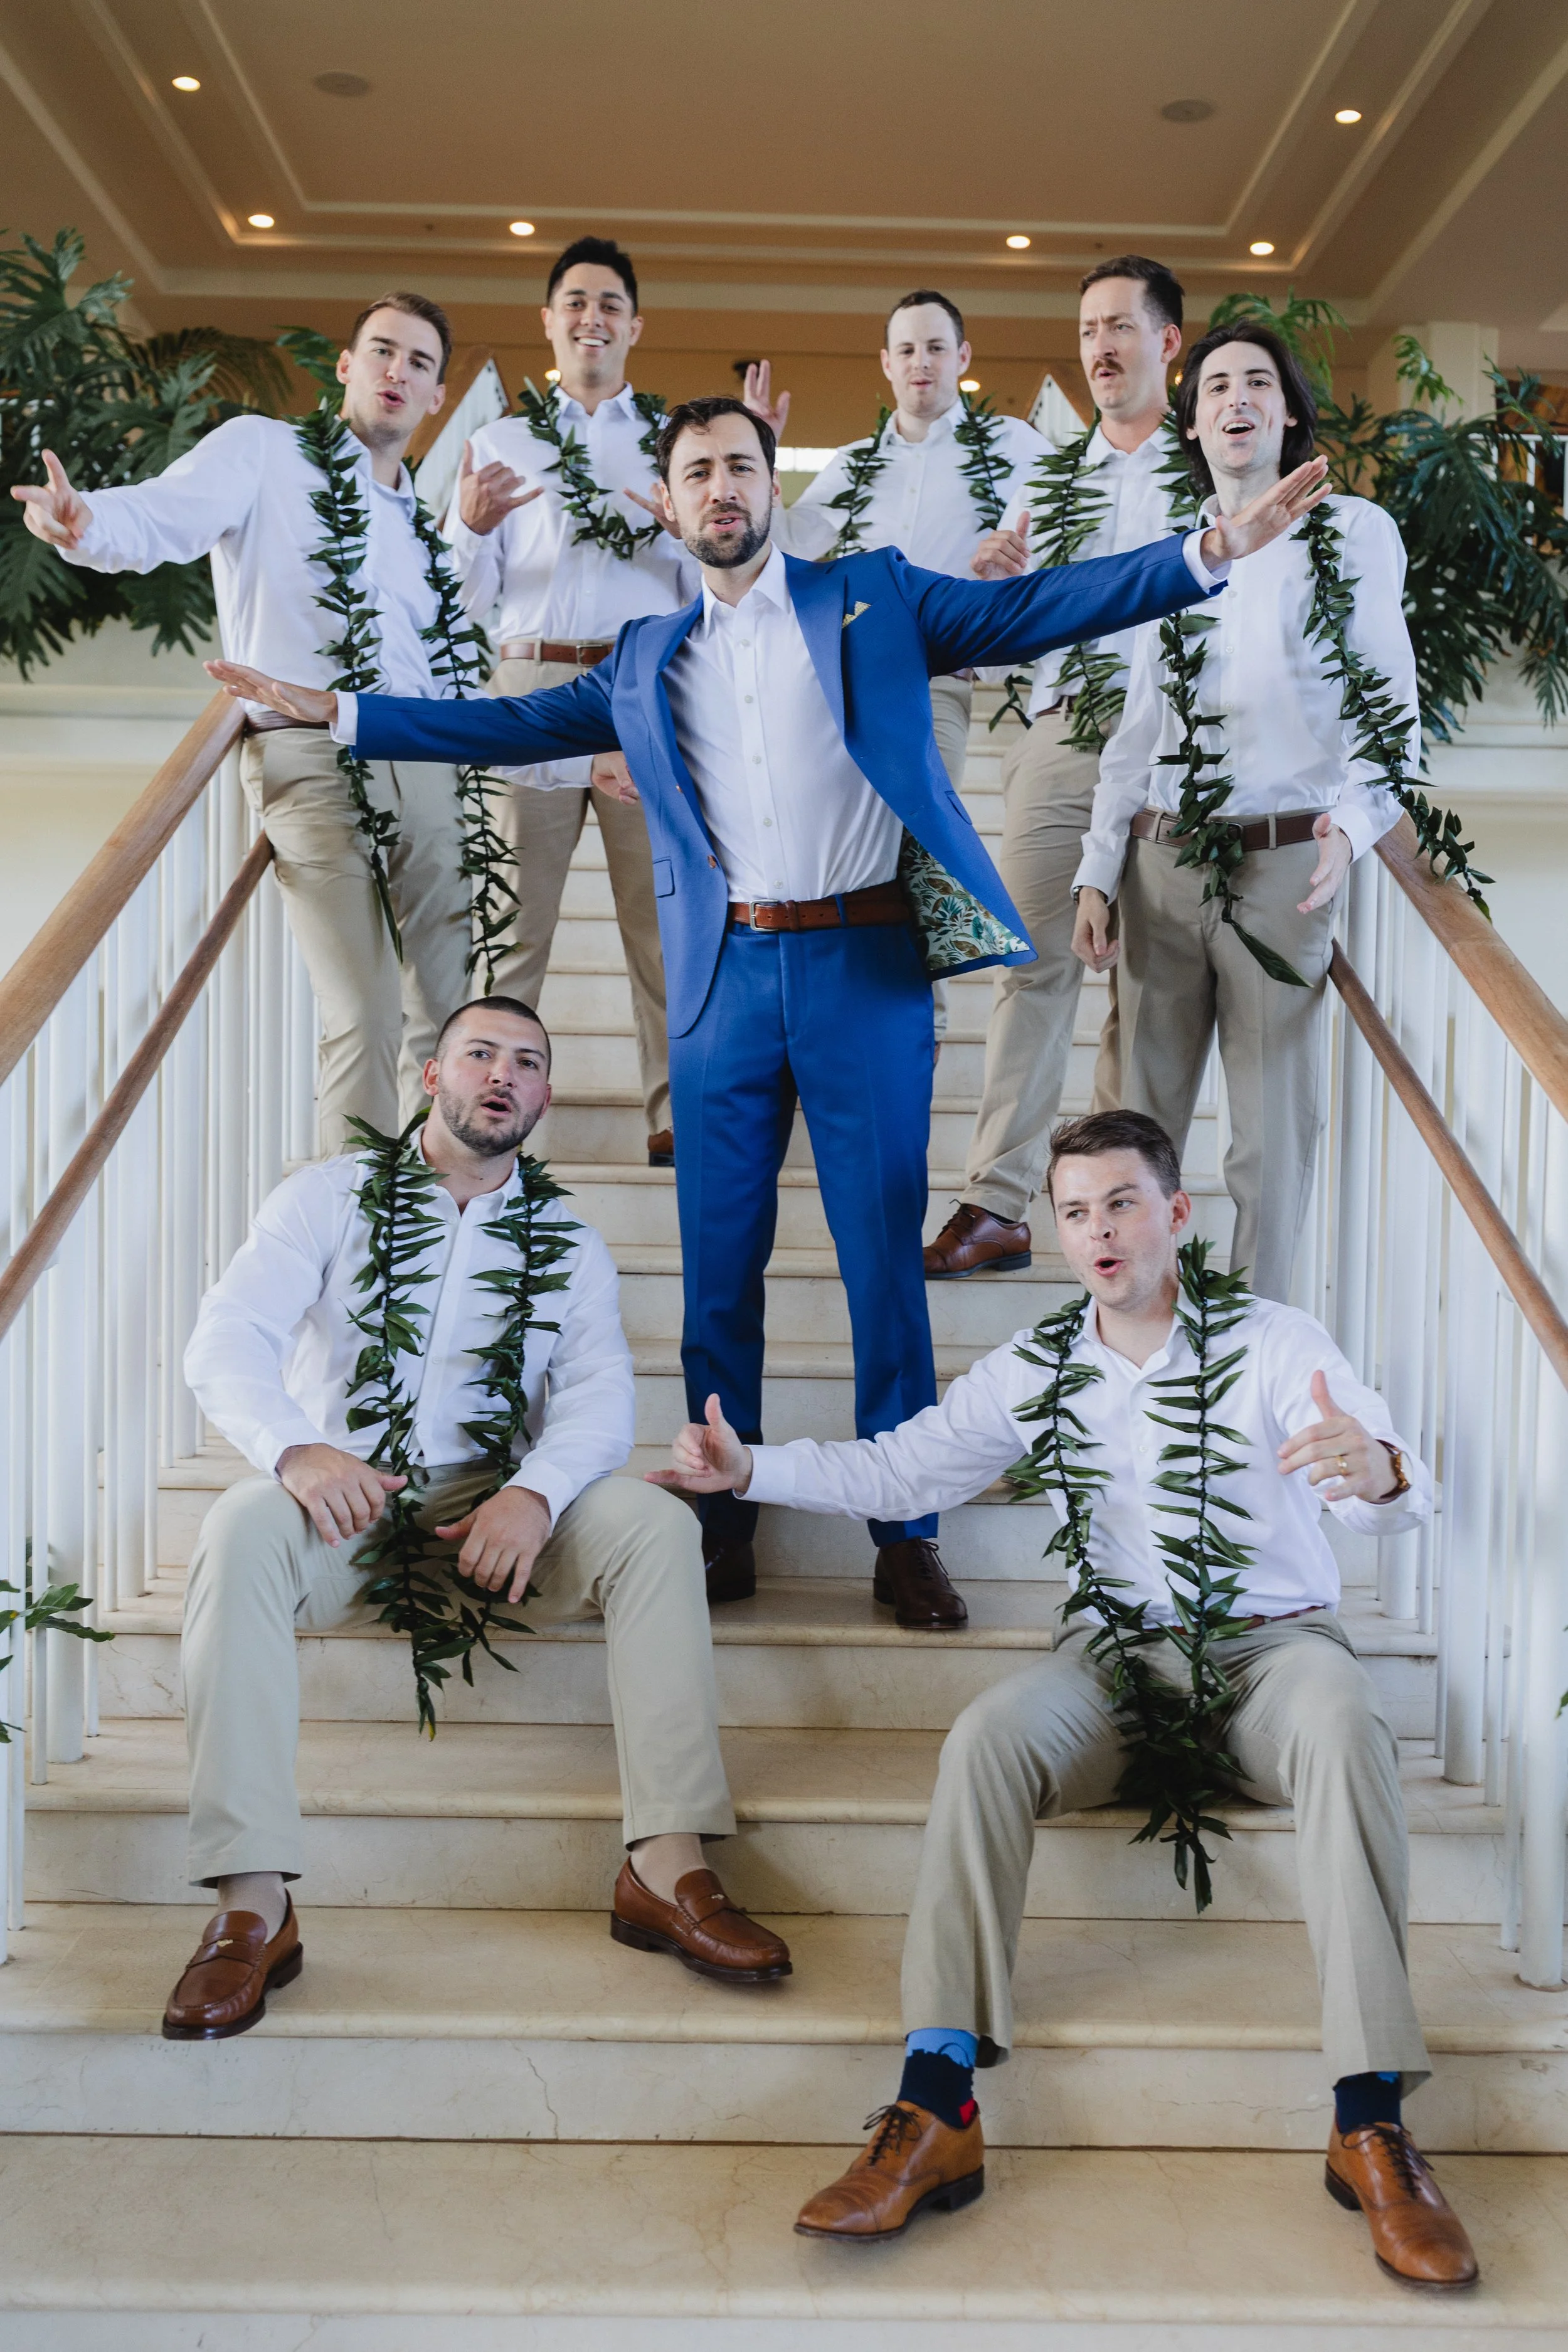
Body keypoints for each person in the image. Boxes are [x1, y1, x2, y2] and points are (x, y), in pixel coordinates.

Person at [204, 396, 1329, 1633]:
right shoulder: (641, 656)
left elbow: (1034, 607)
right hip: (722, 987)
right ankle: (717, 1519)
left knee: (879, 1275)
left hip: (864, 967)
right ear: (673, 506)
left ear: (768, 491)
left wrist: (1207, 552)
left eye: (742, 465)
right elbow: (508, 723)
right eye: (698, 472)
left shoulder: (878, 598)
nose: (722, 487)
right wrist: (342, 714)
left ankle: (905, 1535)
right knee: (715, 1282)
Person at [654, 1109, 1477, 2291]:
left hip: (1271, 1654)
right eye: (1078, 1211)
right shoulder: (1037, 1366)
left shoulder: (1272, 1341)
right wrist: (752, 1472)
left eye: (1124, 1203)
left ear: (1177, 1216)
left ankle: (1371, 2120)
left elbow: (1372, 1480)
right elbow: (903, 1467)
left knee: (1348, 1724)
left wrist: (1383, 1472)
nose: (1099, 1231)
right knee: (987, 1734)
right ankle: (936, 2106)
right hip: (1115, 1663)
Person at [162, 995, 789, 2045]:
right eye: (481, 1054)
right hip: (346, 1505)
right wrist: (298, 1451)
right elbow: (225, 1340)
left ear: (544, 1097)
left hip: (493, 1515)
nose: (503, 1074)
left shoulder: (569, 1244)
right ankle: (251, 1902)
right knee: (235, 1528)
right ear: (432, 1077)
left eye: (529, 1062)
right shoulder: (330, 1198)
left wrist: (536, 1494)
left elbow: (597, 1399)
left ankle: (666, 1865)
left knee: (652, 1523)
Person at [13, 294, 482, 1154]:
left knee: (455, 1011)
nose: (396, 371)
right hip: (306, 761)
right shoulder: (263, 453)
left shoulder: (424, 529)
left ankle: (451, 1212)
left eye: (419, 362)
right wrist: (84, 525)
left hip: (421, 755)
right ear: (346, 367)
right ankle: (359, 1240)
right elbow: (161, 513)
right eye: (381, 351)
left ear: (437, 397)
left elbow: (444, 656)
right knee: (365, 1011)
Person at [1071, 322, 1417, 1300]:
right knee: (1137, 1128)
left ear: (1290, 411)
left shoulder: (1352, 533)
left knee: (1270, 1134)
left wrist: (1351, 829)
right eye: (1216, 384)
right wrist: (1100, 867)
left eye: (1258, 382)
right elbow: (1137, 730)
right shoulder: (1175, 553)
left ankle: (1251, 1357)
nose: (1237, 398)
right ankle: (1133, 1341)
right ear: (1191, 421)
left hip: (1284, 867)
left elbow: (1390, 715)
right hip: (1162, 864)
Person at [923, 257, 1192, 1278]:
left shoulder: (1208, 467)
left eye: (1121, 327)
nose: (1101, 348)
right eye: (1088, 331)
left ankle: (1136, 1214)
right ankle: (997, 1202)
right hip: (1066, 730)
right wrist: (997, 595)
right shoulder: (1048, 476)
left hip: (1176, 744)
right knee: (1030, 960)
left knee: (1156, 982)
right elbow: (1003, 647)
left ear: (1167, 342)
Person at [445, 236, 695, 1165]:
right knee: (515, 921)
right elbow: (454, 600)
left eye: (610, 303)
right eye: (575, 301)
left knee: (662, 918)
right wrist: (470, 532)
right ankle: (484, 1102)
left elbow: (706, 593)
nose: (592, 317)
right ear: (548, 321)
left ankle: (678, 1108)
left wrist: (696, 541)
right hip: (532, 685)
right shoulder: (498, 442)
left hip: (643, 688)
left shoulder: (674, 445)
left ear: (636, 324)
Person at [744, 290, 1048, 794]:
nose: (920, 362)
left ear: (963, 357)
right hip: (847, 677)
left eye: (936, 347)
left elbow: (1069, 519)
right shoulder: (854, 462)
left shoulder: (1010, 444)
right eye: (906, 350)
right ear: (887, 363)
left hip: (940, 680)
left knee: (926, 844)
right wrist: (758, 457)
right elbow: (791, 542)